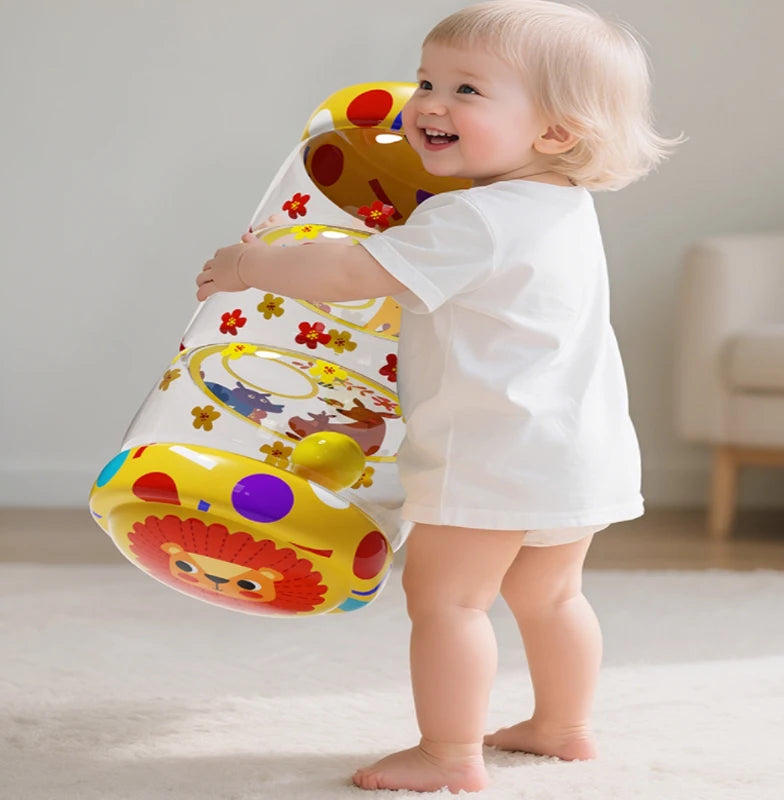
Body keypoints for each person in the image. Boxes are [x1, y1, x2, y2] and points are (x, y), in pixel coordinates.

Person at [196, 0, 679, 792]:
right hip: (576, 447)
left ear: (555, 132)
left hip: (490, 452)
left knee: (447, 599)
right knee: (552, 594)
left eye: (466, 90)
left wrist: (250, 267)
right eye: (427, 80)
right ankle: (563, 727)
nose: (427, 104)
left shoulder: (474, 219)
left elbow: (353, 273)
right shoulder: (560, 208)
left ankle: (447, 754)